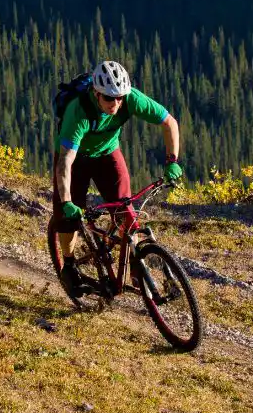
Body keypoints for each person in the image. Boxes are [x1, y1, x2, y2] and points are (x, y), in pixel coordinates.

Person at [52, 60, 182, 292]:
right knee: (68, 215)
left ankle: (135, 268)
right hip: (75, 159)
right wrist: (67, 201)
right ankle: (69, 264)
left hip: (107, 154)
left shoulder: (131, 99)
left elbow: (169, 122)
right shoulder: (79, 112)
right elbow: (65, 162)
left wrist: (172, 161)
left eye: (120, 97)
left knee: (126, 212)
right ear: (96, 92)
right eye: (110, 98)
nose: (116, 103)